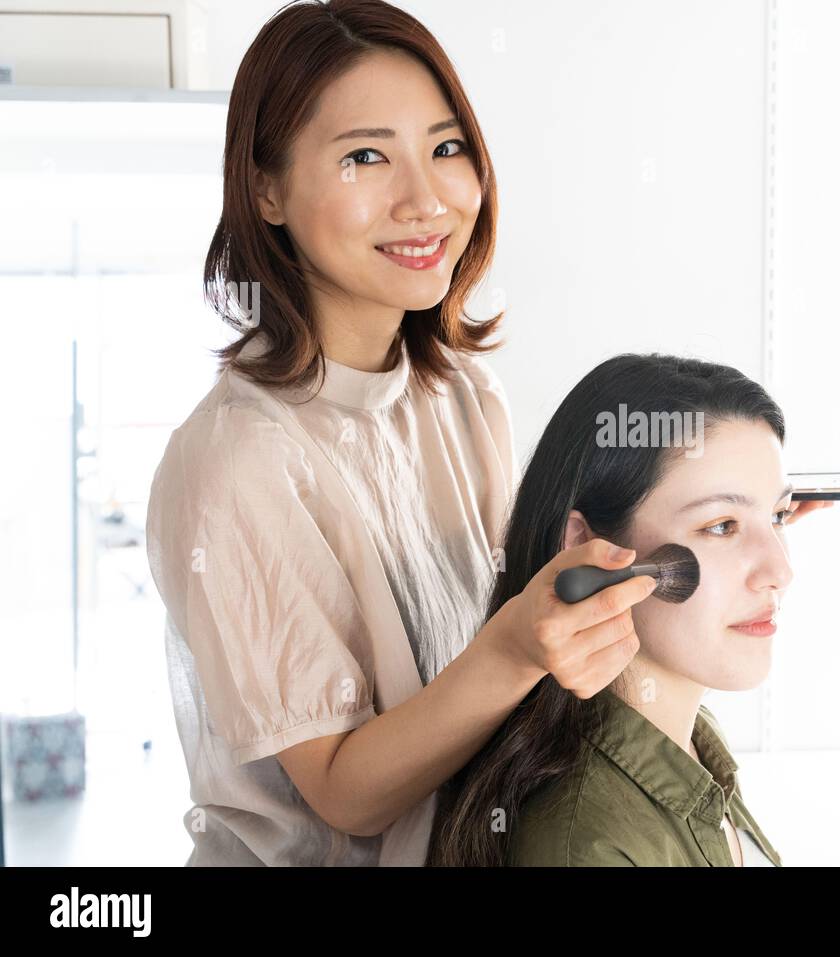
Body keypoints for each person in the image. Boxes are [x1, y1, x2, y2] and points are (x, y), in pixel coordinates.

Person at [145, 0, 660, 866]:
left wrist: (700, 527)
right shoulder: (237, 458)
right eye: (366, 157)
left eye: (447, 148)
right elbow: (348, 792)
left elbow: (527, 604)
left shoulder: (463, 395)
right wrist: (515, 647)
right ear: (265, 189)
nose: (426, 201)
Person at [429, 353, 815, 866]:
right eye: (721, 525)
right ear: (586, 548)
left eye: (778, 515)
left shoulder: (696, 743)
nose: (780, 571)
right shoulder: (586, 846)